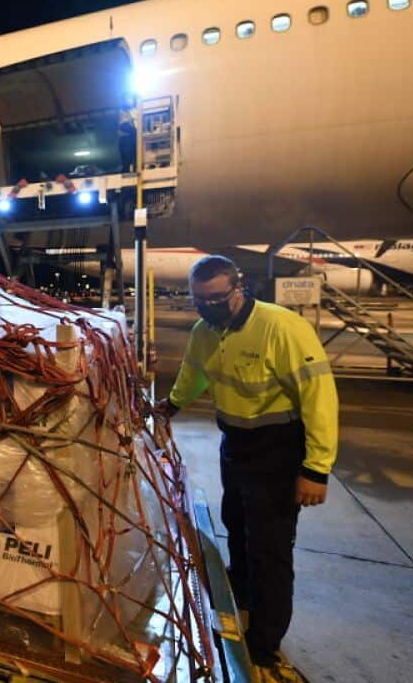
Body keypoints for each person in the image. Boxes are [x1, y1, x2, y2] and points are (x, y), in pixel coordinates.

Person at [155, 255, 337, 683]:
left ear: (240, 288)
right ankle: (241, 599)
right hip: (235, 447)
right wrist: (172, 405)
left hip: (278, 452)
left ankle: (266, 644)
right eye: (200, 300)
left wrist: (316, 469)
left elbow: (319, 398)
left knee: (270, 548)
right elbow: (194, 373)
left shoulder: (282, 328)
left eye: (217, 298)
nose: (209, 306)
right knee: (236, 526)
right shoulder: (205, 332)